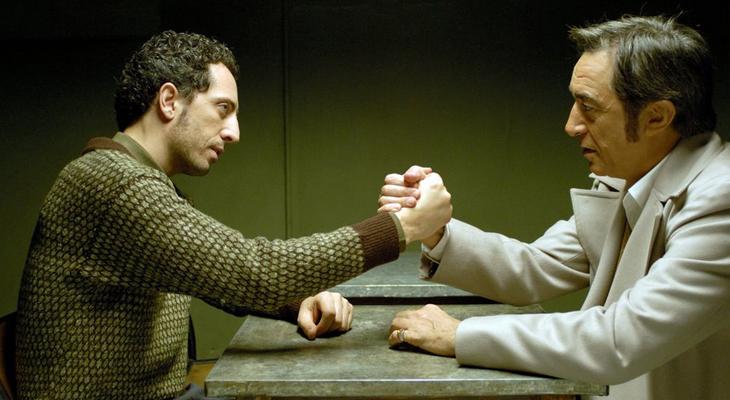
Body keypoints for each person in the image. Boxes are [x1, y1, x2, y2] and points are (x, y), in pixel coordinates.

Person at [14, 31, 452, 400]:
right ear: (169, 100)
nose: (234, 132)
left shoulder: (130, 178)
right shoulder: (117, 185)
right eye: (223, 108)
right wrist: (403, 227)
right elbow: (253, 271)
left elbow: (218, 277)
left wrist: (298, 301)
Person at [379, 15, 730, 400]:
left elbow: (622, 340)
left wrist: (460, 335)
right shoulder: (629, 177)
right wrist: (436, 228)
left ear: (658, 116)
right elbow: (536, 267)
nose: (571, 125)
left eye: (589, 106)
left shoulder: (721, 198)